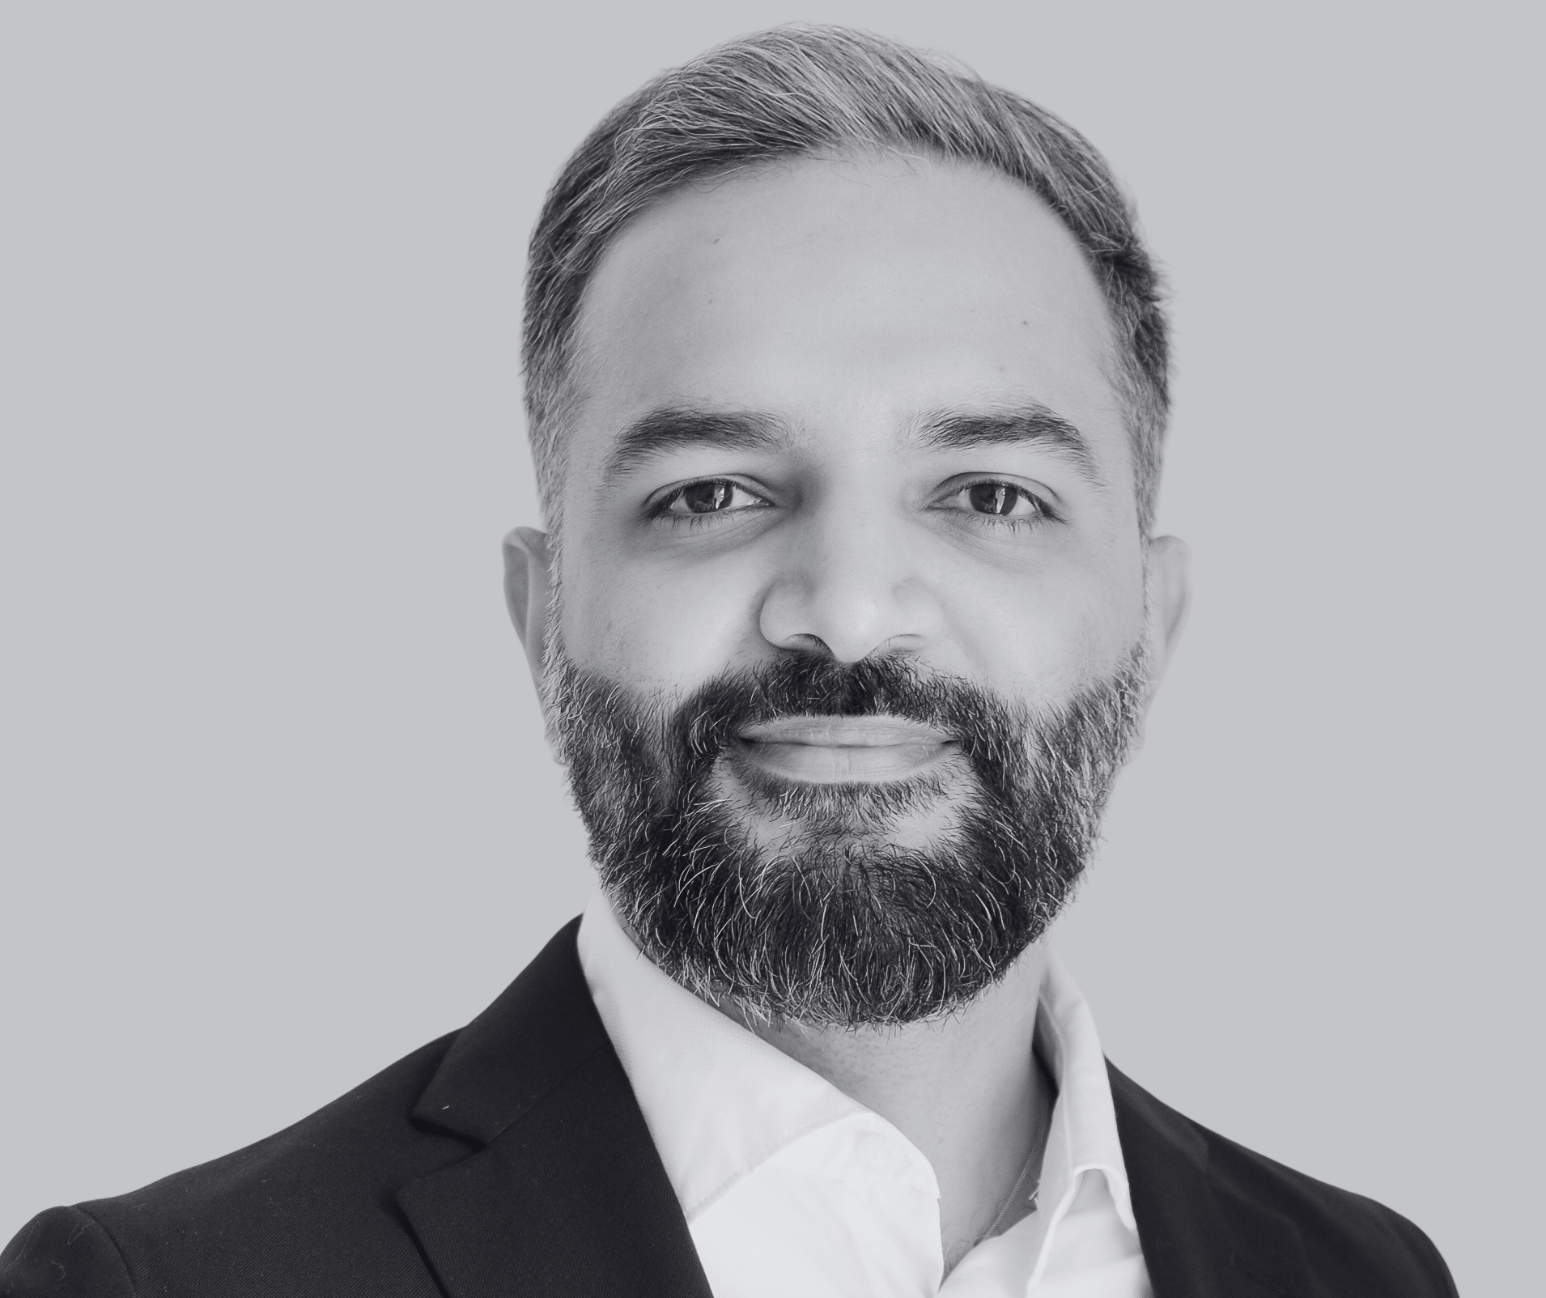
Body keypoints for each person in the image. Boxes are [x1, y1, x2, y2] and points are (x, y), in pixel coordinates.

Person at [0, 24, 1457, 1298]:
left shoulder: (1361, 1273)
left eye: (989, 495)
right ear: (543, 615)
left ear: (1150, 618)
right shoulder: (156, 1286)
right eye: (709, 493)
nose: (850, 612)